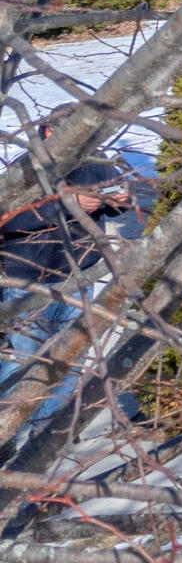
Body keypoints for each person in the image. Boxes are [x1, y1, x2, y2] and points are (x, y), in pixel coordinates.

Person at [0, 156, 145, 426]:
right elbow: (9, 220)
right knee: (23, 360)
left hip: (79, 277)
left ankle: (45, 429)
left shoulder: (95, 161)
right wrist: (68, 203)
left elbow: (122, 199)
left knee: (69, 360)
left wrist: (118, 200)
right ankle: (8, 429)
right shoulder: (28, 166)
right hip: (27, 281)